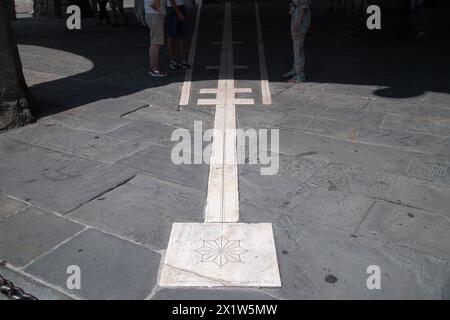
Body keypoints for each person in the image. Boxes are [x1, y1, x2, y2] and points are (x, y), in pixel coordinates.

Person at [283, 0, 311, 83]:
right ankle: (295, 70)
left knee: (298, 50)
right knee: (296, 49)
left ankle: (300, 76)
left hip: (300, 25)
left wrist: (297, 24)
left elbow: (304, 8)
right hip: (296, 19)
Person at [144, 0, 167, 77]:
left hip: (153, 15)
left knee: (155, 43)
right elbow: (154, 4)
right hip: (154, 15)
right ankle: (154, 69)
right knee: (155, 43)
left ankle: (154, 68)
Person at [167, 0, 190, 70]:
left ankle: (182, 60)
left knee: (181, 35)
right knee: (172, 36)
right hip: (173, 9)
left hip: (180, 7)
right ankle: (173, 60)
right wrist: (178, 12)